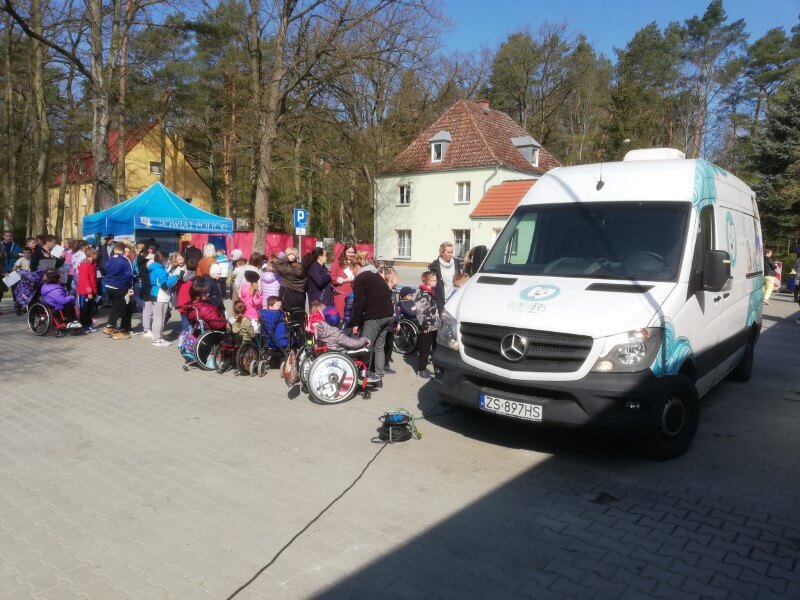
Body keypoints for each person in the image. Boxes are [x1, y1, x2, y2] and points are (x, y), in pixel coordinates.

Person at [351, 254, 394, 383]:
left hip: (375, 316)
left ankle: (365, 375)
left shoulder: (360, 278)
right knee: (380, 346)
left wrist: (355, 323)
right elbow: (387, 292)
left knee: (367, 346)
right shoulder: (376, 275)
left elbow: (358, 303)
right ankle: (379, 374)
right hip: (388, 315)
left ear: (356, 266)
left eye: (352, 269)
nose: (352, 273)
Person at [103, 242, 135, 340]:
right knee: (122, 309)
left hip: (108, 286)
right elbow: (129, 275)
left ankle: (110, 327)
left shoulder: (109, 260)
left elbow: (104, 270)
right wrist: (130, 288)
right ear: (123, 250)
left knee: (115, 307)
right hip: (119, 287)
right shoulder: (124, 260)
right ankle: (119, 331)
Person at [148, 251, 180, 347]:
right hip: (160, 295)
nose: (167, 261)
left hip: (155, 293)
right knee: (160, 319)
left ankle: (157, 336)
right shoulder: (160, 270)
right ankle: (158, 340)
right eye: (167, 259)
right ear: (163, 259)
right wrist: (176, 276)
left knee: (157, 318)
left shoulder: (156, 268)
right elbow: (165, 285)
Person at [415, 271, 440, 378]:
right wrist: (424, 325)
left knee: (431, 347)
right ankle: (421, 369)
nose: (437, 281)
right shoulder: (424, 294)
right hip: (426, 327)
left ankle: (425, 366)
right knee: (424, 349)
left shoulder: (430, 292)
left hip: (433, 326)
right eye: (435, 280)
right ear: (429, 282)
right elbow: (420, 311)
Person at [40, 268, 81, 333]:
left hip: (52, 303)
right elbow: (62, 301)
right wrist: (71, 297)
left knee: (69, 304)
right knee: (69, 305)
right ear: (56, 280)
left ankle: (73, 320)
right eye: (60, 278)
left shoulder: (48, 286)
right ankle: (70, 321)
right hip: (55, 306)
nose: (61, 279)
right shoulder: (55, 290)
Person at [427, 241, 463, 313]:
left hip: (454, 298)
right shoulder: (435, 266)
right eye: (448, 252)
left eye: (452, 252)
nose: (451, 254)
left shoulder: (457, 263)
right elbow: (431, 284)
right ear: (442, 252)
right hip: (441, 300)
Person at [274, 247, 306, 324]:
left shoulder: (288, 270)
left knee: (287, 316)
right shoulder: (303, 268)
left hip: (287, 293)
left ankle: (288, 333)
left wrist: (286, 258)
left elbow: (275, 264)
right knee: (299, 315)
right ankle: (300, 333)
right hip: (300, 295)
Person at [330, 243, 356, 318]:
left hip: (353, 293)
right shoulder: (338, 263)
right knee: (341, 315)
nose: (351, 254)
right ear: (344, 252)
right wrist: (343, 280)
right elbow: (332, 276)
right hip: (341, 294)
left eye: (352, 252)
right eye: (349, 252)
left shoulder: (356, 263)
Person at [77, 248, 99, 332]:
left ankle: (88, 324)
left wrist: (94, 291)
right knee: (84, 309)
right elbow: (85, 280)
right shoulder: (85, 265)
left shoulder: (91, 264)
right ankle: (84, 326)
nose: (97, 256)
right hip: (84, 292)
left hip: (90, 291)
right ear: (92, 255)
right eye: (96, 255)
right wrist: (89, 291)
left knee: (90, 308)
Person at [96, 234, 115, 305]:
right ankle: (105, 302)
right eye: (106, 239)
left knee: (112, 286)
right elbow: (98, 258)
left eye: (109, 239)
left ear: (112, 239)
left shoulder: (116, 247)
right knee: (103, 286)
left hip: (113, 270)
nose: (107, 241)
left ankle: (111, 301)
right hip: (103, 270)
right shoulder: (102, 247)